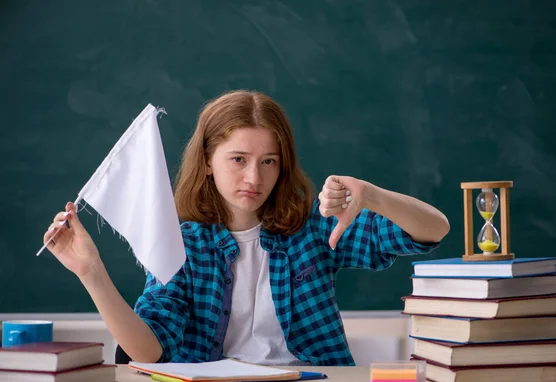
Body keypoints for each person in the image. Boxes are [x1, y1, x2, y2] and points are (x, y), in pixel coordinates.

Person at [43, 90, 450, 366]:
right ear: (207, 161)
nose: (253, 177)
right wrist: (91, 273)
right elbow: (147, 351)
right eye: (238, 159)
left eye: (268, 161)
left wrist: (372, 194)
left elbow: (435, 229)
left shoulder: (311, 229)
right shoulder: (183, 244)